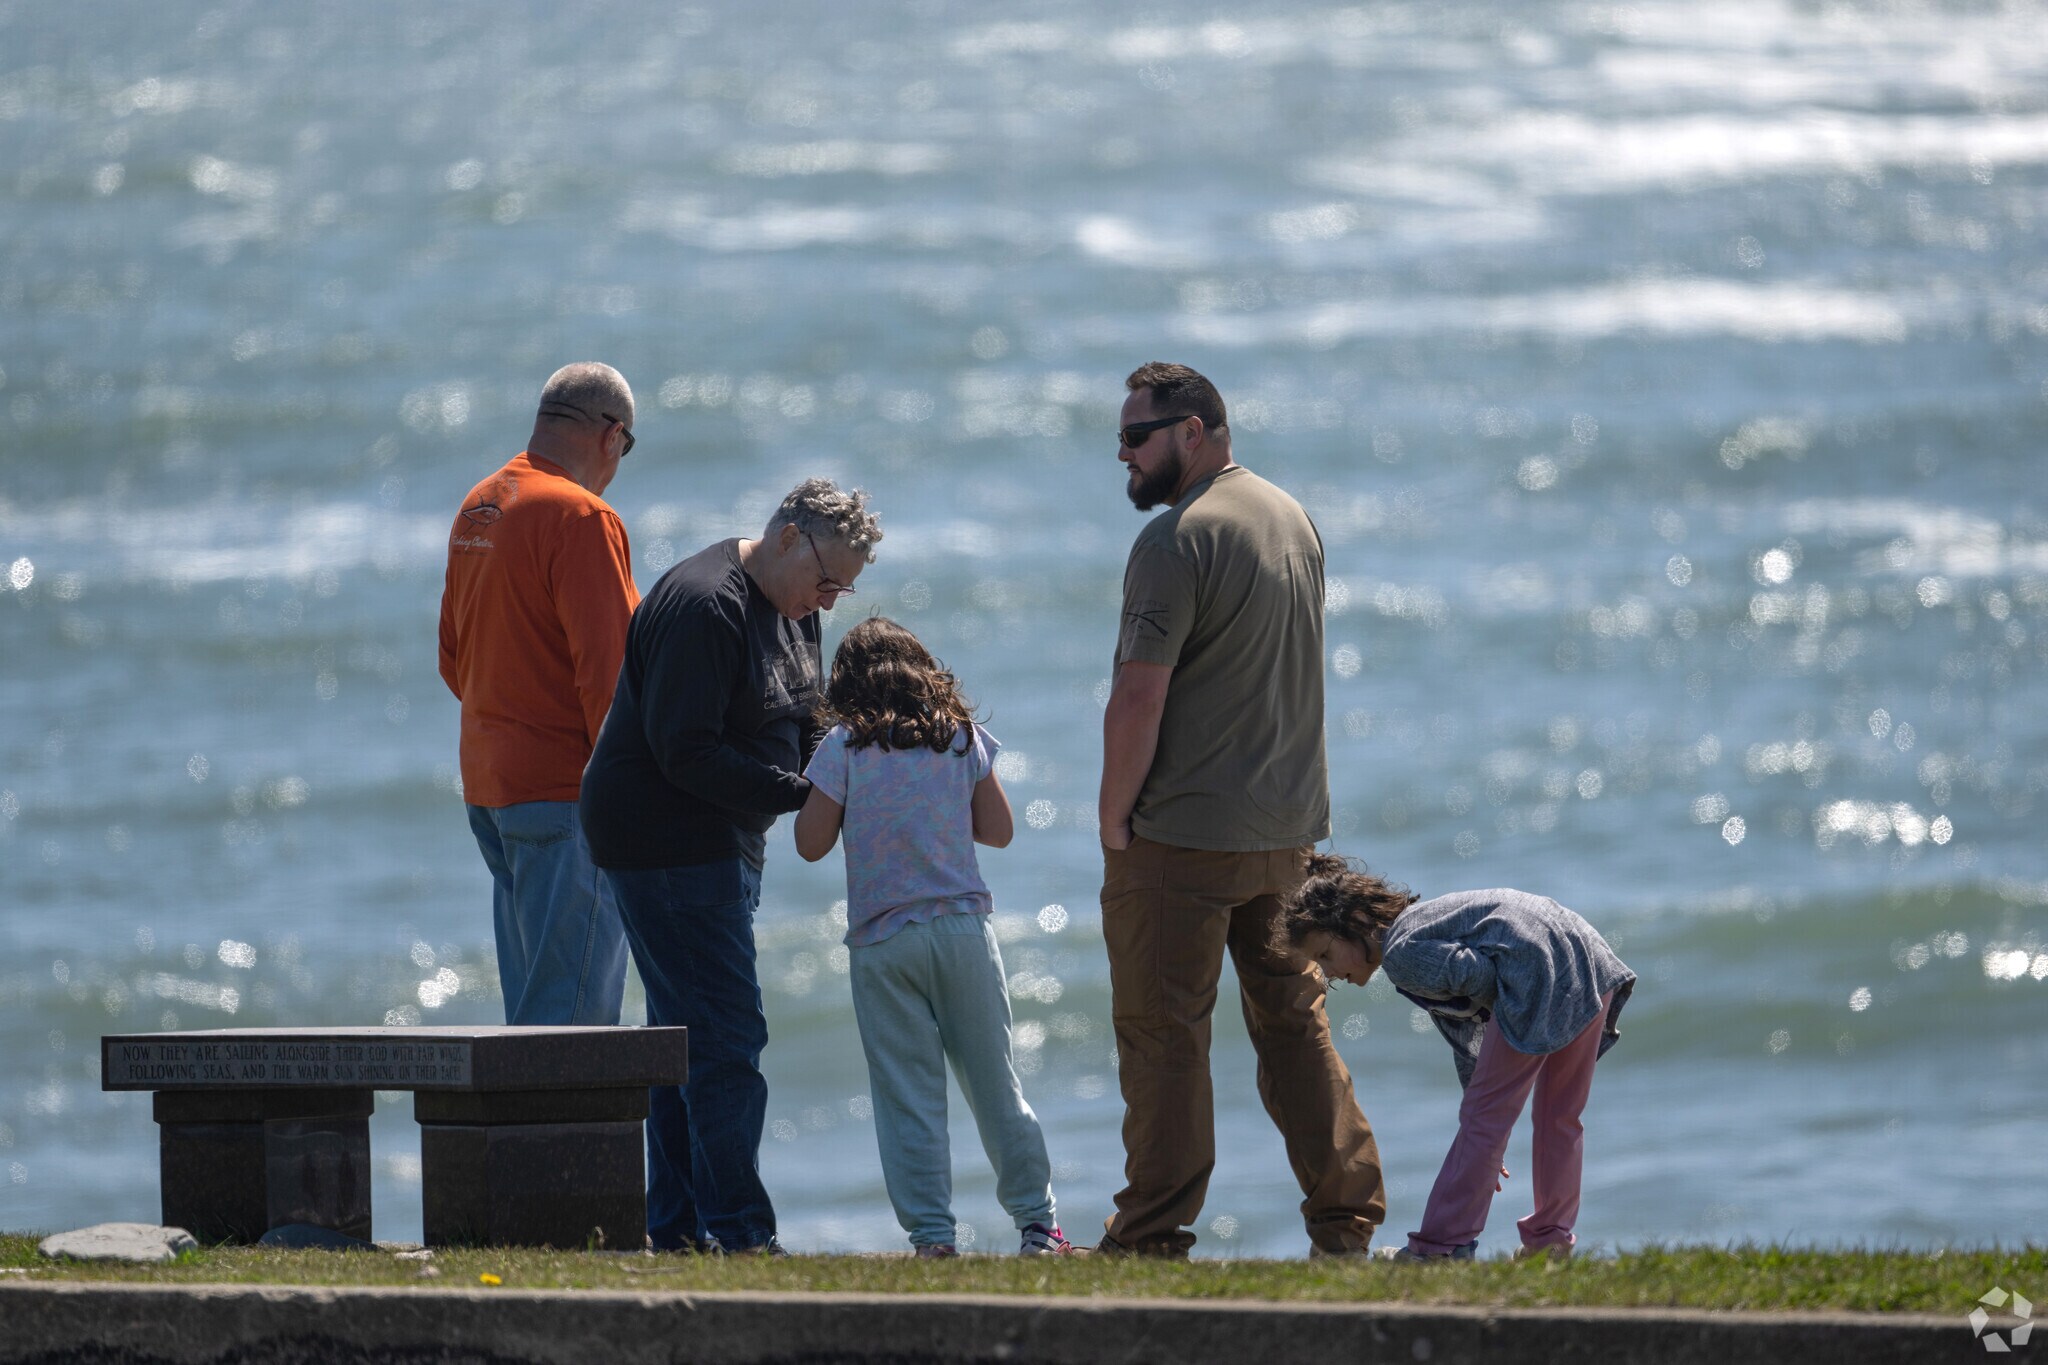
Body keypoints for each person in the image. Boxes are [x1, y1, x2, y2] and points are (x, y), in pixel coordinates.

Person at [1095, 361, 1386, 1258]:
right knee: (1294, 1026)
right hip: (1286, 834)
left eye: (1136, 438)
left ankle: (1150, 1231)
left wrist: (1113, 817)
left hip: (1184, 835)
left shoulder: (1175, 542)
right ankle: (1346, 1219)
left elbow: (1139, 697)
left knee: (1164, 1034)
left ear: (1193, 431)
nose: (1124, 456)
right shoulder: (1291, 518)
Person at [580, 478, 880, 1255]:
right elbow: (687, 752)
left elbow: (808, 721)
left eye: (842, 589)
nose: (829, 600)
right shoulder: (706, 605)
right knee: (726, 1032)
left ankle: (675, 1226)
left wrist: (849, 775)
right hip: (664, 837)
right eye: (825, 579)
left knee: (682, 1034)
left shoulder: (794, 609)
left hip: (725, 838)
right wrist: (804, 792)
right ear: (787, 534)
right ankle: (741, 1230)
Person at [792, 617, 1075, 1259]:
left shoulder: (841, 746)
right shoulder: (960, 739)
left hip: (883, 942)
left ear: (846, 685)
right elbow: (999, 830)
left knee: (908, 1097)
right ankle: (1039, 1225)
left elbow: (811, 846)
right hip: (961, 932)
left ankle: (933, 1239)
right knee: (995, 1082)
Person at [1280, 855, 1636, 1262]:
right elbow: (1469, 1034)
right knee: (1560, 1115)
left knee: (1486, 1123)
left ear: (1358, 921)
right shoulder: (1423, 924)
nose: (1327, 973)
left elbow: (1482, 979)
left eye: (1325, 954)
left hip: (1535, 965)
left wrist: (1484, 1130)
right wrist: (1483, 1119)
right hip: (1583, 952)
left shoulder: (1401, 954)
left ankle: (1441, 1248)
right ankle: (1550, 1243)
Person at [437, 361, 638, 1026]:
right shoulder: (581, 516)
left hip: (491, 789)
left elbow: (453, 660)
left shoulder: (481, 504)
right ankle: (557, 1138)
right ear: (611, 437)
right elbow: (611, 679)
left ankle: (519, 1135)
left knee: (534, 1018)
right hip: (567, 794)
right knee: (571, 1032)